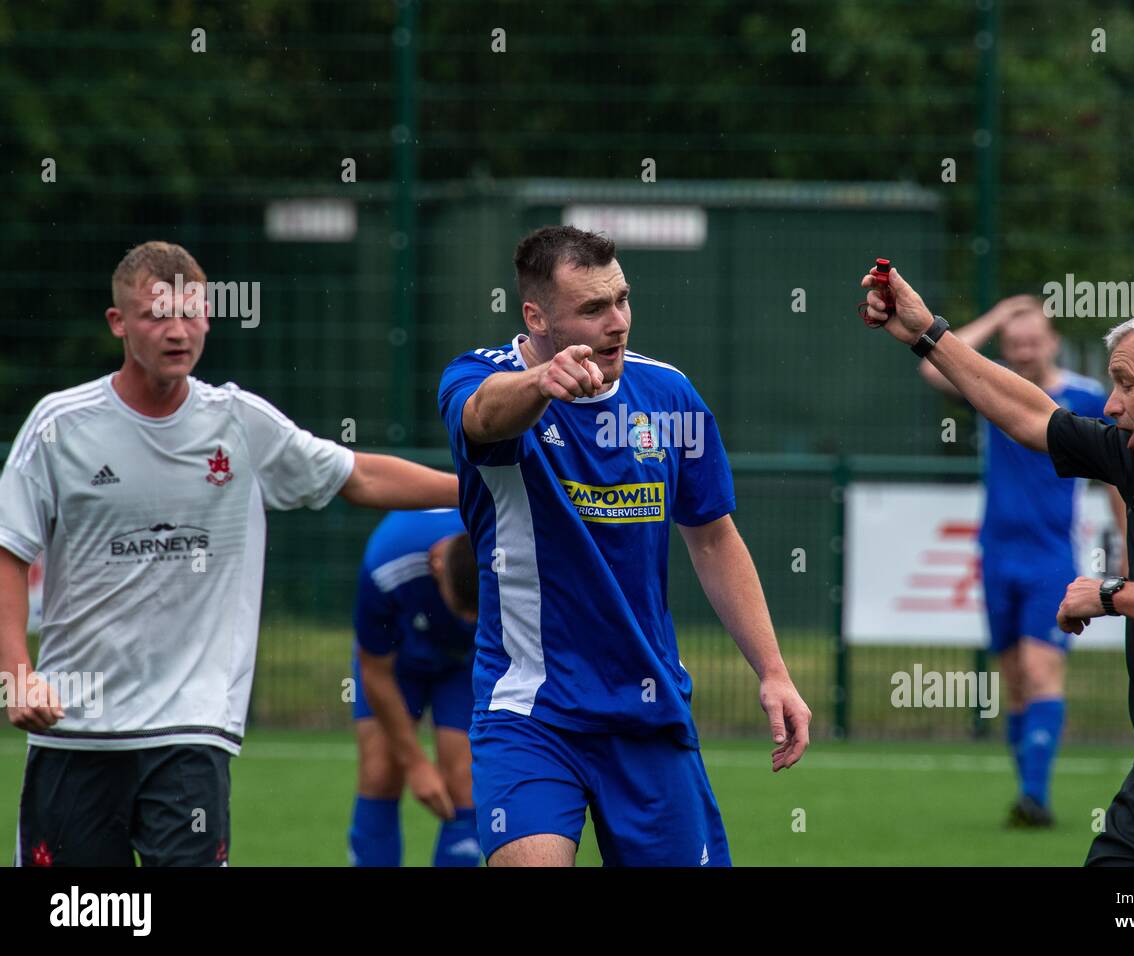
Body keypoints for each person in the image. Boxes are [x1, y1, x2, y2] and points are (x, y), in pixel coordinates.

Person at [0, 241, 459, 867]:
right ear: (119, 324)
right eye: (156, 316)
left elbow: (358, 477)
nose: (176, 331)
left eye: (190, 314)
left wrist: (480, 494)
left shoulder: (239, 423)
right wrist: (18, 672)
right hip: (77, 731)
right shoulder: (60, 427)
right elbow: (8, 548)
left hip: (192, 729)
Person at [861, 268, 1134, 866]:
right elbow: (1029, 416)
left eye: (1125, 383)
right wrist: (926, 333)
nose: (1112, 404)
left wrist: (1112, 592)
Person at [437, 225, 811, 867]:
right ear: (536, 316)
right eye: (592, 309)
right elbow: (482, 417)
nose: (617, 322)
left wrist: (774, 672)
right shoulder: (483, 378)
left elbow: (715, 540)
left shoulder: (668, 395)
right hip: (531, 711)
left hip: (648, 709)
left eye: (622, 299)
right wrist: (541, 384)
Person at [916, 295, 1127, 827]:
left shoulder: (1085, 396)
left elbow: (1115, 476)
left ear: (1052, 341)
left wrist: (1130, 541)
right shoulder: (996, 394)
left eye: (1033, 340)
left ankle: (1035, 797)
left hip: (1050, 558)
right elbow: (932, 368)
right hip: (996, 556)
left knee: (1039, 669)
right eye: (1014, 344)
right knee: (1012, 679)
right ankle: (1027, 789)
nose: (1024, 350)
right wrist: (998, 314)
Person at [348, 509, 480, 867]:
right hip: (396, 661)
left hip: (465, 662)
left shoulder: (500, 542)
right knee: (380, 772)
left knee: (465, 782)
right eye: (458, 609)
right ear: (436, 564)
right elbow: (375, 671)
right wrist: (416, 764)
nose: (467, 620)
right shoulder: (386, 564)